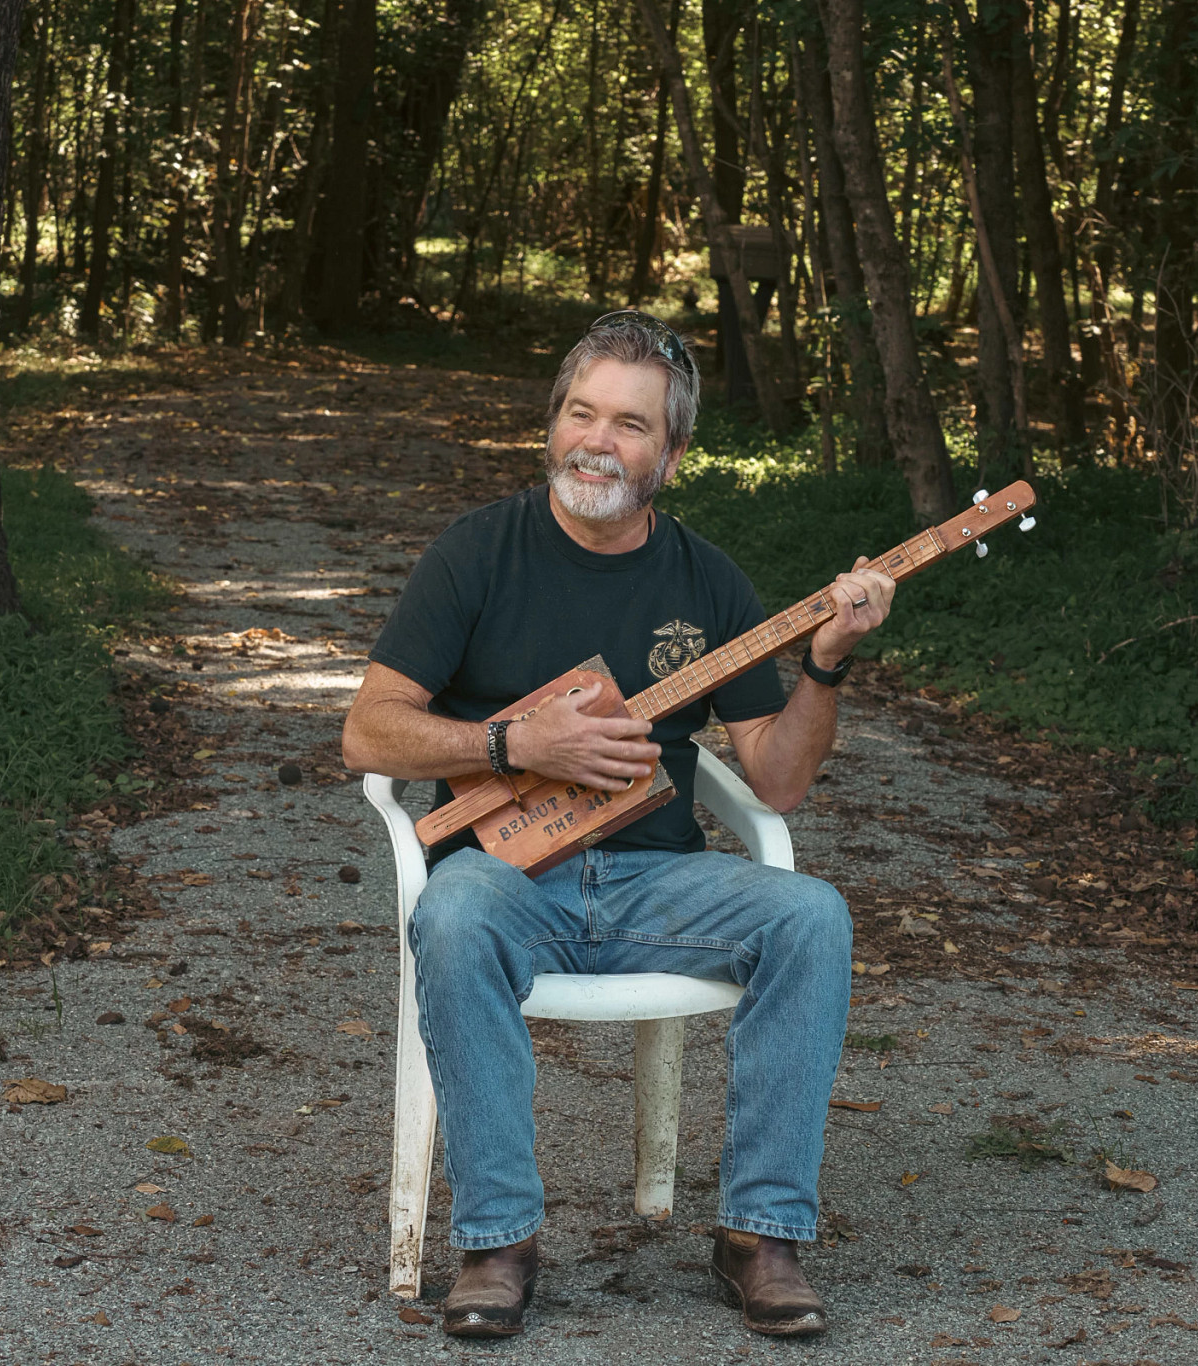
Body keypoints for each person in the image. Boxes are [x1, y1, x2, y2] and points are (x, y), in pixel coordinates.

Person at [340, 311, 894, 1339]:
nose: (595, 439)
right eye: (580, 412)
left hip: (655, 885)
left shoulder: (708, 580)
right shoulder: (475, 553)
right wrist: (514, 745)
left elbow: (774, 780)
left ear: (671, 454)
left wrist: (824, 662)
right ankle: (499, 1242)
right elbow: (367, 732)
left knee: (809, 915)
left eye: (629, 424)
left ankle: (758, 1234)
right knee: (453, 920)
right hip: (502, 884)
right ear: (553, 424)